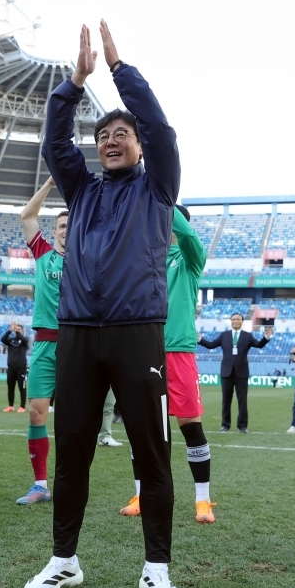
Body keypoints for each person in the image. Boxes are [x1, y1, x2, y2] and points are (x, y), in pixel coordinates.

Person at [24, 21, 182, 588]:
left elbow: (162, 129)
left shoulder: (158, 189)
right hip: (78, 337)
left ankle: (157, 569)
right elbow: (53, 145)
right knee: (72, 451)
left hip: (137, 334)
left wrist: (120, 73)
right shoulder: (82, 192)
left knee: (151, 454)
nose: (113, 140)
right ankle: (64, 561)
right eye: (105, 135)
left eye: (123, 133)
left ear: (139, 145)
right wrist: (73, 83)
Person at [120, 205, 214, 523]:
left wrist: (163, 199)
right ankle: (140, 494)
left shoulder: (188, 260)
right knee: (141, 430)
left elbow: (187, 236)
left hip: (178, 353)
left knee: (191, 426)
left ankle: (203, 500)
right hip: (144, 350)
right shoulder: (145, 259)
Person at [15, 178, 67, 505]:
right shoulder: (43, 253)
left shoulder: (91, 258)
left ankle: (70, 481)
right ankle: (40, 484)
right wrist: (51, 182)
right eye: (61, 226)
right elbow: (26, 216)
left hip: (78, 345)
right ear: (56, 230)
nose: (65, 230)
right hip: (46, 344)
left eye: (71, 225)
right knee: (36, 413)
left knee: (74, 420)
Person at [197, 313, 272, 433]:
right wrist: (200, 339)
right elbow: (211, 345)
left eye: (238, 319)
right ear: (231, 321)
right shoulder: (224, 335)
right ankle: (225, 425)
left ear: (242, 321)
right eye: (233, 319)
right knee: (226, 400)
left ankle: (242, 425)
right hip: (226, 372)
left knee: (242, 400)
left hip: (241, 372)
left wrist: (266, 338)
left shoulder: (247, 336)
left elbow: (259, 345)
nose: (235, 321)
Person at [1, 322, 29, 413]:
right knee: (10, 387)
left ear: (22, 331)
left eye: (19, 329)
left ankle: (22, 406)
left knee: (22, 387)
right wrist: (10, 330)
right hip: (11, 367)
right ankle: (10, 405)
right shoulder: (11, 341)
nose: (17, 331)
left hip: (21, 367)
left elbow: (24, 340)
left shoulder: (25, 340)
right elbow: (3, 339)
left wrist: (18, 333)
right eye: (16, 329)